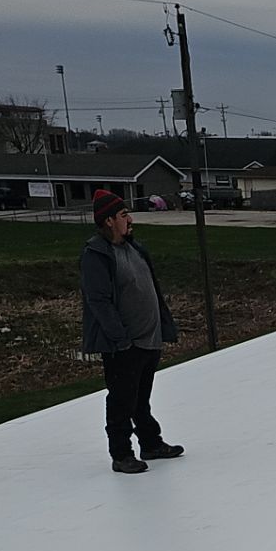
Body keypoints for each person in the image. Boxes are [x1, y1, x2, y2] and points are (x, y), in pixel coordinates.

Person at [80, 189, 183, 474]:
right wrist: (120, 338)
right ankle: (121, 454)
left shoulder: (135, 249)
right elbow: (98, 300)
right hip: (123, 345)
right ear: (109, 220)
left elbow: (152, 291)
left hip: (148, 341)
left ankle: (150, 443)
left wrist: (162, 327)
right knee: (121, 401)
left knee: (141, 399)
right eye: (124, 215)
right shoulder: (96, 255)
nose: (130, 219)